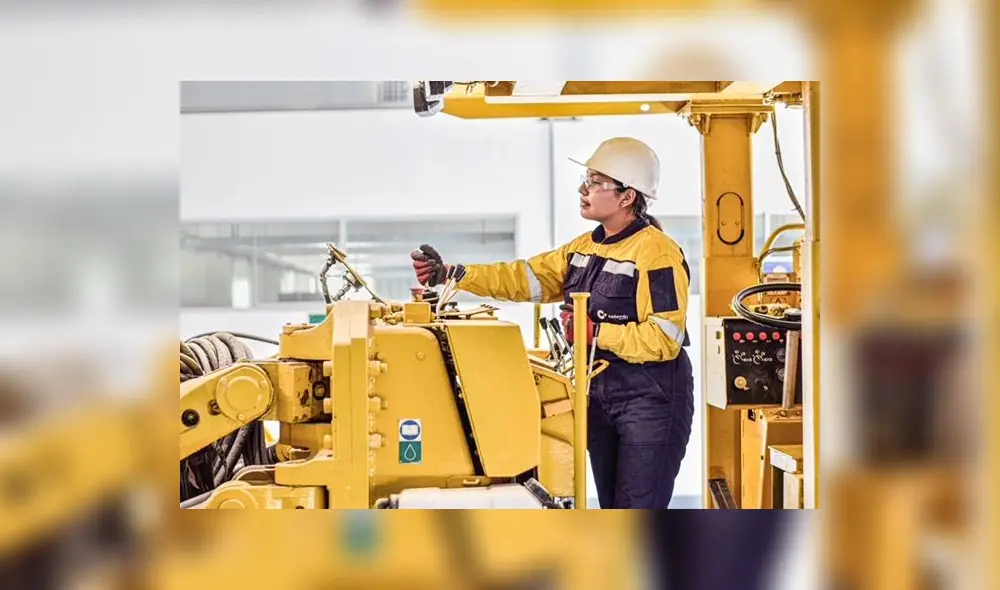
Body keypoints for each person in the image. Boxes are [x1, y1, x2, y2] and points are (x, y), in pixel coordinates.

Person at [410, 137, 694, 509]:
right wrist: (453, 274)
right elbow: (523, 277)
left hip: (651, 398)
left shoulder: (657, 252)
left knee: (638, 508)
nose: (583, 189)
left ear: (627, 197)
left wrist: (596, 333)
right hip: (600, 391)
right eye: (586, 178)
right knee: (612, 507)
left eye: (595, 182)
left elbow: (665, 338)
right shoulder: (582, 249)